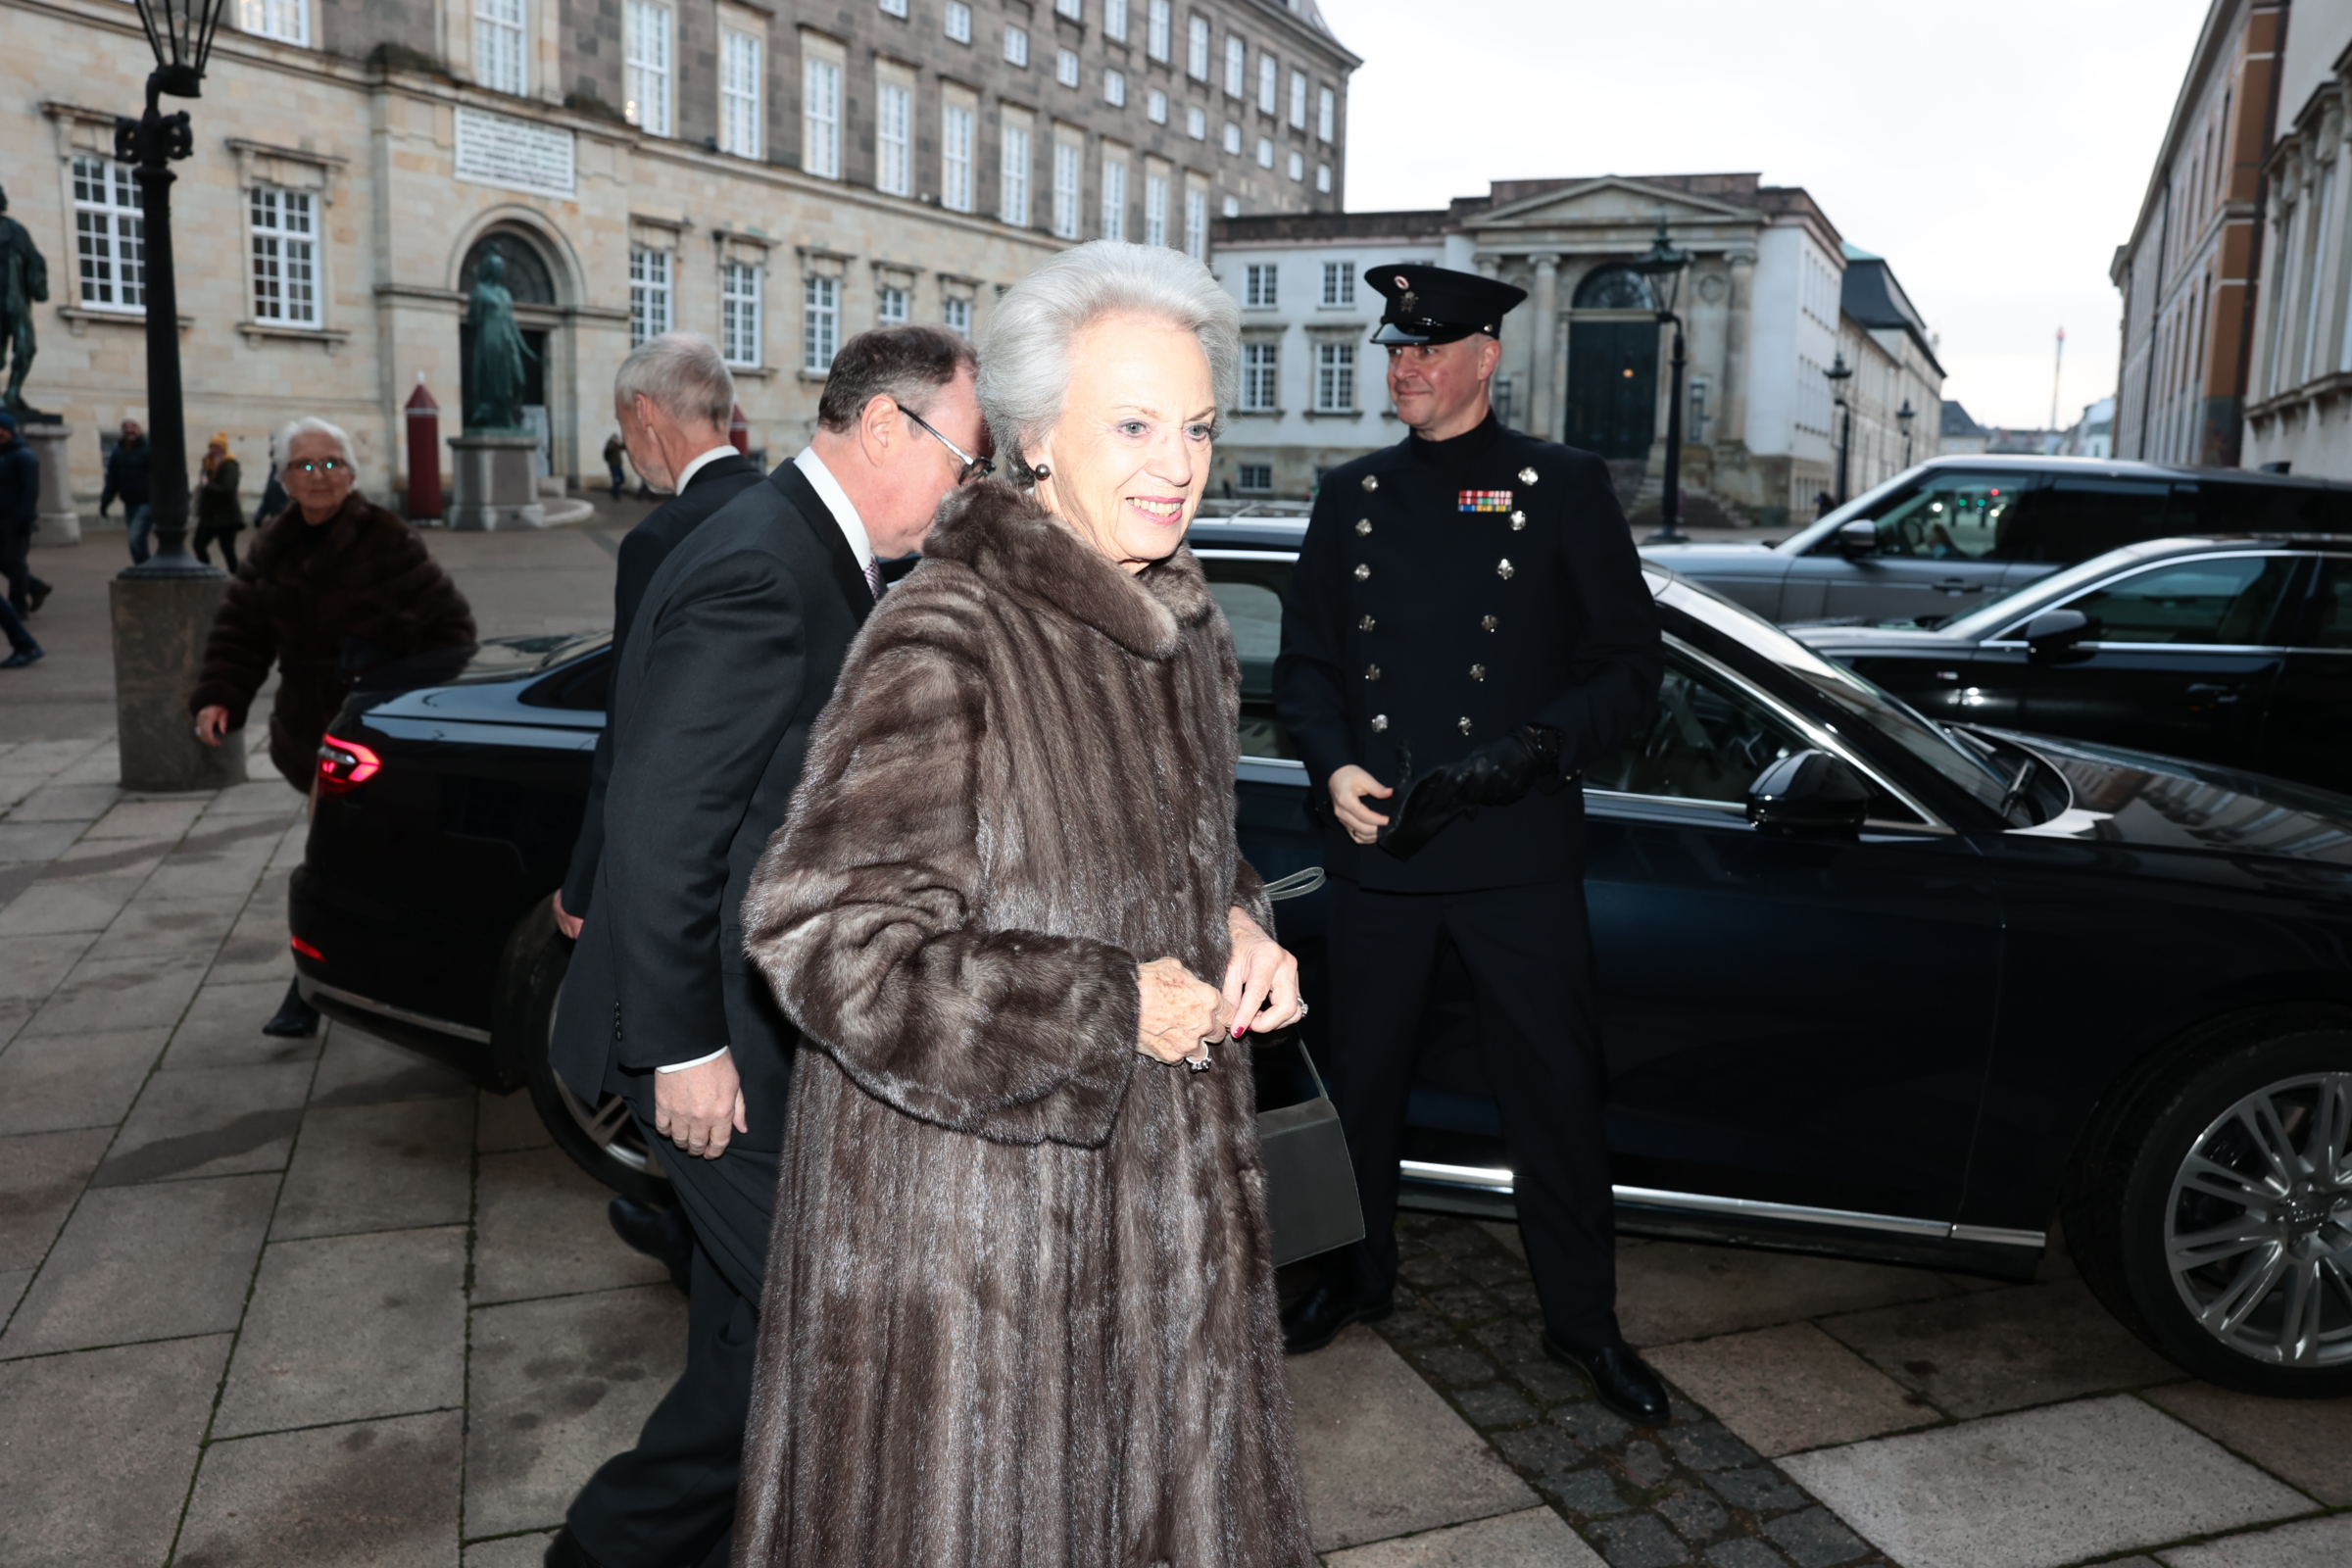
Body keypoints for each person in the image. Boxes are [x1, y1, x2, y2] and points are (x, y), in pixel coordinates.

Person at [731, 241, 1312, 1566]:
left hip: (1164, 1237)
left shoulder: (1183, 630)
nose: (1177, 463)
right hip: (981, 1270)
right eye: (1134, 424)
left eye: (1198, 426)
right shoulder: (948, 632)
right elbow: (826, 940)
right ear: (1040, 438)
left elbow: (1173, 853)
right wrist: (1101, 1010)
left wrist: (1235, 921)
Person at [544, 322, 989, 1568]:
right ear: (889, 427)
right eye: (965, 457)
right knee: (831, 1324)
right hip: (713, 1048)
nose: (967, 489)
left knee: (752, 1339)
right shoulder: (764, 564)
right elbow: (659, 824)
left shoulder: (824, 554)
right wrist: (683, 1047)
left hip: (764, 1027)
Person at [1271, 264, 1670, 1424]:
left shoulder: (1564, 486)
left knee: (1554, 1093)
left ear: (1486, 358)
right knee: (1361, 1090)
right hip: (1382, 848)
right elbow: (1306, 668)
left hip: (1513, 849)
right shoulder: (1349, 496)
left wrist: (1533, 749)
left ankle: (1584, 1323)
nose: (1406, 367)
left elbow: (1630, 669)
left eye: (1429, 351)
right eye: (1395, 350)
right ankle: (1357, 1275)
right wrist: (1332, 761)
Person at [552, 333, 765, 1283]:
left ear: (646, 417)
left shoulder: (664, 539)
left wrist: (584, 877)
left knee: (686, 1078)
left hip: (692, 854)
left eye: (623, 425)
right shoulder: (787, 509)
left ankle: (697, 1242)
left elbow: (632, 730)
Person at [190, 416, 475, 1038]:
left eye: (330, 464)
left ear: (350, 473)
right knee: (372, 856)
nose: (318, 477)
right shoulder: (273, 543)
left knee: (331, 855)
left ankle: (312, 989)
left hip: (369, 736)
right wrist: (219, 697)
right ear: (283, 479)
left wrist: (389, 682)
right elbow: (242, 631)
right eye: (303, 466)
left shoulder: (386, 538)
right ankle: (393, 968)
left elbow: (454, 631)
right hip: (306, 725)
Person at [0, 412, 48, 617]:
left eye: (2, 429)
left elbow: (31, 489)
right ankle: (36, 587)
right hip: (1, 515)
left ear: (11, 431)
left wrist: (25, 517)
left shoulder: (23, 455)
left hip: (16, 516)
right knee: (4, 561)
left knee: (15, 562)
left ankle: (18, 607)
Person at [101, 418, 155, 564]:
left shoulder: (148, 449)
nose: (129, 430)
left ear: (139, 430)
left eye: (133, 427)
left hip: (147, 502)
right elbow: (112, 480)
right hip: (130, 503)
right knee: (135, 540)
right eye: (126, 427)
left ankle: (146, 568)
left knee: (135, 537)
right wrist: (105, 502)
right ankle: (143, 567)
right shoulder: (118, 453)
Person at [193, 431, 243, 570]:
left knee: (227, 550)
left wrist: (208, 485)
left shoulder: (229, 464)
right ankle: (206, 571)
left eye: (216, 447)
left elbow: (228, 490)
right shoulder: (208, 463)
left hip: (226, 518)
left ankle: (236, 577)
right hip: (209, 517)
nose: (212, 450)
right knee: (198, 544)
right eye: (211, 447)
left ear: (223, 449)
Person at [603, 430, 628, 501]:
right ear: (612, 438)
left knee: (622, 479)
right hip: (613, 465)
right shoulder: (610, 444)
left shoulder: (617, 445)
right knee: (616, 480)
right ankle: (616, 495)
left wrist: (623, 441)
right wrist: (613, 442)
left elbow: (624, 447)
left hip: (618, 465)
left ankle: (614, 489)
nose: (617, 439)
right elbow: (609, 449)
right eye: (615, 438)